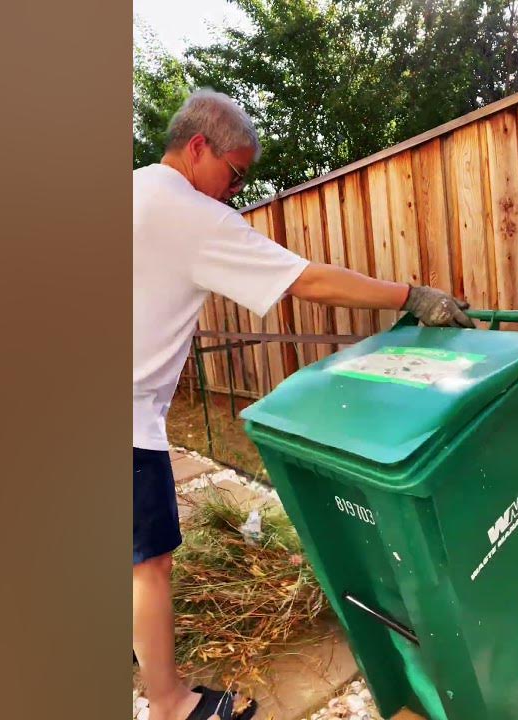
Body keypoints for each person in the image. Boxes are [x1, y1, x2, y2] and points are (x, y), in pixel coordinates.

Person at [133, 88, 473, 720]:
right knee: (147, 562)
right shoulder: (184, 209)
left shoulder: (132, 191)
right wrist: (410, 295)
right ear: (198, 146)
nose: (234, 191)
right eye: (234, 173)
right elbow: (306, 278)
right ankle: (170, 702)